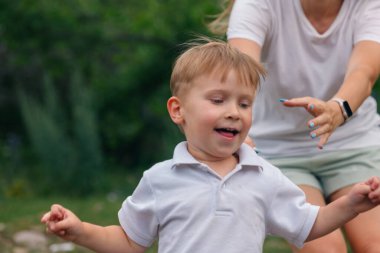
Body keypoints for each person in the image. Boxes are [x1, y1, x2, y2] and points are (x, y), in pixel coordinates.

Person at [41, 39, 380, 253]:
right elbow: (129, 242)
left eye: (245, 104)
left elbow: (309, 224)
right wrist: (80, 231)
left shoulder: (264, 175)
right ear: (178, 110)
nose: (233, 112)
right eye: (218, 100)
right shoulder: (161, 179)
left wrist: (351, 204)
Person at [209, 0, 380, 252]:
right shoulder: (257, 4)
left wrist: (336, 109)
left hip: (354, 143)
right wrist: (237, 129)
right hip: (278, 151)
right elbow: (242, 73)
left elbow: (364, 71)